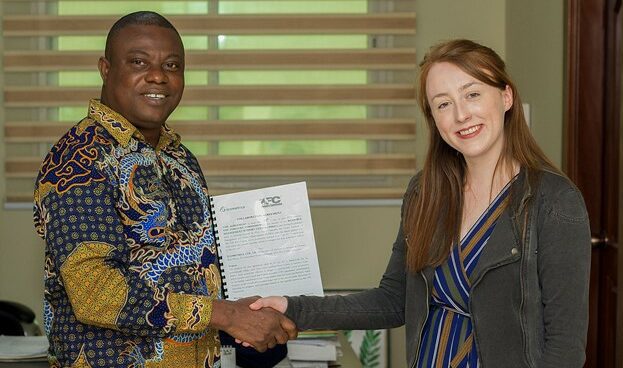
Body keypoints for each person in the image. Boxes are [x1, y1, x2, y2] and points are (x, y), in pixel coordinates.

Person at [250, 39, 591, 367]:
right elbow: (393, 300)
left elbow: (565, 344)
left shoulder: (554, 201)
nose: (461, 115)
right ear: (434, 119)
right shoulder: (425, 192)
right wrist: (292, 307)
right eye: (443, 104)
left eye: (472, 94)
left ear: (505, 97)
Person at [33, 11, 296, 368]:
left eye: (172, 65)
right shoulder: (80, 160)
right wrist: (225, 315)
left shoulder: (180, 159)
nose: (158, 76)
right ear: (106, 69)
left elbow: (198, 267)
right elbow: (96, 293)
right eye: (139, 62)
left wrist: (252, 308)